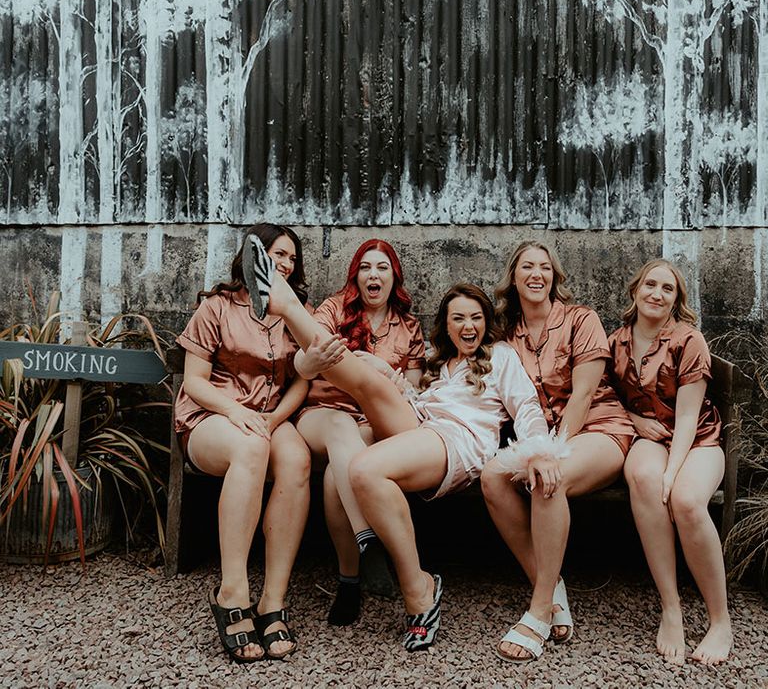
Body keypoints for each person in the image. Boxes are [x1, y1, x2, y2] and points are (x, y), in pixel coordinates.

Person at [243, 235, 565, 651]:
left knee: (363, 466)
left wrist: (540, 450)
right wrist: (385, 371)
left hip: (457, 440)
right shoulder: (437, 365)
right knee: (362, 373)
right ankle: (284, 303)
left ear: (487, 322)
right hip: (419, 422)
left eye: (475, 318)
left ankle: (418, 586)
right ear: (445, 327)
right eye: (457, 319)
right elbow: (407, 396)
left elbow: (527, 408)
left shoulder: (501, 356)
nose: (468, 326)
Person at [481, 240, 636, 663]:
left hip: (598, 430)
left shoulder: (580, 319)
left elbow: (584, 396)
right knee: (492, 475)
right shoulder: (504, 335)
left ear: (555, 276)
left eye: (545, 268)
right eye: (527, 267)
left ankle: (536, 612)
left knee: (552, 478)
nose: (536, 274)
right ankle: (553, 592)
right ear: (513, 277)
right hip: (540, 438)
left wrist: (551, 450)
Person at [174, 223, 312, 663]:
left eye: (292, 257)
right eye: (277, 254)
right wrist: (237, 412)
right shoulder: (217, 306)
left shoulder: (294, 311)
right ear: (253, 258)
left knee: (297, 460)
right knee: (251, 448)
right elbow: (194, 382)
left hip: (269, 415)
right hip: (214, 415)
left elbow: (303, 380)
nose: (286, 264)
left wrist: (274, 418)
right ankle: (232, 589)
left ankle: (273, 599)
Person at [293, 239, 426, 625]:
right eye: (366, 267)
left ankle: (350, 579)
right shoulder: (334, 309)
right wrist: (316, 361)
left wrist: (389, 376)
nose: (374, 275)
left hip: (372, 425)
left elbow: (412, 390)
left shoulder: (409, 325)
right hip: (322, 414)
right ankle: (368, 541)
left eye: (382, 268)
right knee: (339, 429)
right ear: (356, 275)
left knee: (340, 471)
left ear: (393, 277)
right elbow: (305, 359)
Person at [608, 258, 731, 666]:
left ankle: (720, 620)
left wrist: (673, 474)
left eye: (667, 289)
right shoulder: (617, 341)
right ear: (635, 290)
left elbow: (687, 418)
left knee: (685, 500)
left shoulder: (688, 340)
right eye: (650, 285)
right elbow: (607, 400)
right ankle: (671, 608)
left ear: (677, 299)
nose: (656, 294)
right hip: (651, 435)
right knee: (643, 476)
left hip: (696, 438)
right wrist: (635, 419)